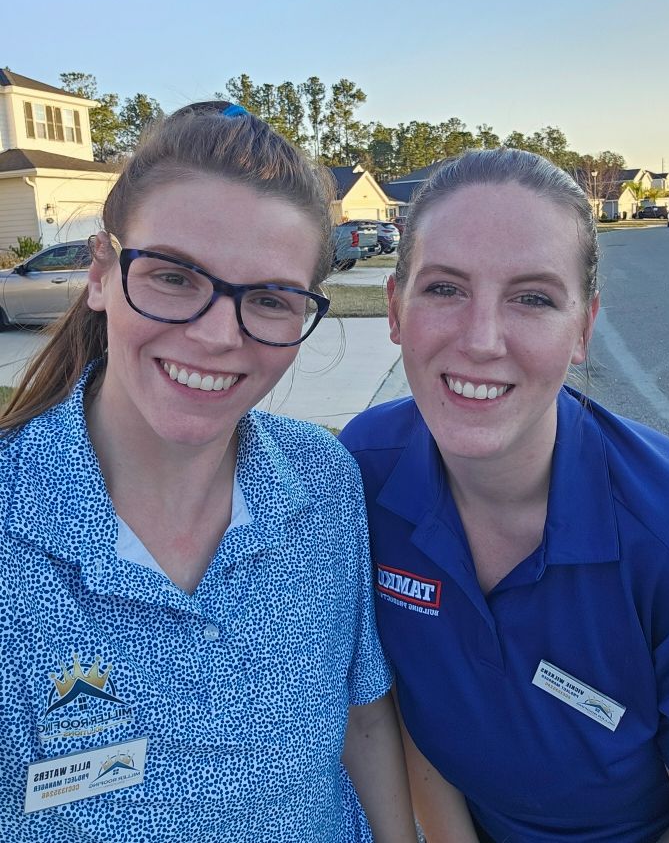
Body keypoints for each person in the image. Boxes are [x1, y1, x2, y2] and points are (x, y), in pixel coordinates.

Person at [0, 102, 417, 843]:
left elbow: (362, 719)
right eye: (172, 277)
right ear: (100, 274)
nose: (217, 336)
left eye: (269, 298)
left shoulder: (322, 481)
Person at [340, 148, 669, 843]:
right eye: (444, 288)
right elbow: (403, 705)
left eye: (532, 298)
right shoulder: (361, 475)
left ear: (583, 329)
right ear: (394, 309)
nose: (481, 340)